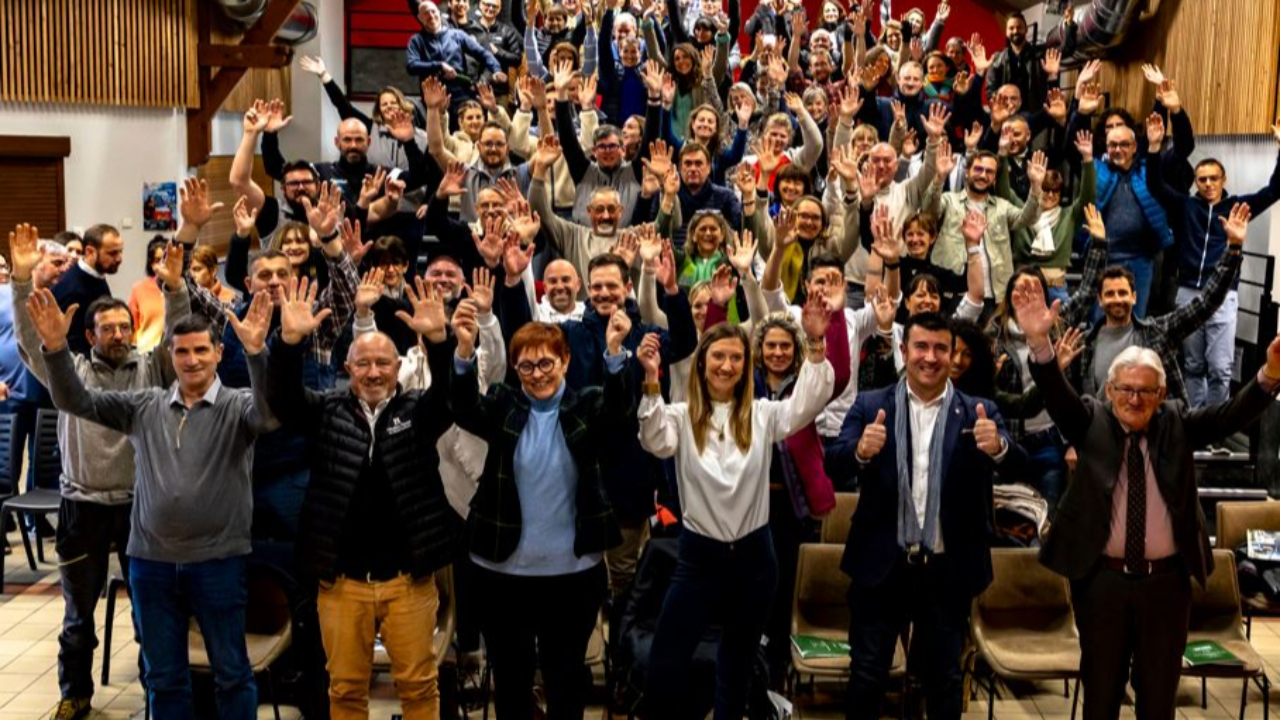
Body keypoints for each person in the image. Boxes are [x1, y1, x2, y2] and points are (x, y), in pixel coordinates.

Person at [1011, 273, 1280, 720]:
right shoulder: (1091, 419)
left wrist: (1269, 375)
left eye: (1145, 392)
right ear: (1110, 390)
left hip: (1166, 586)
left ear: (1161, 395)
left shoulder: (1176, 421)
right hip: (1103, 583)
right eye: (1126, 390)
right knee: (1101, 697)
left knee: (1158, 703)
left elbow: (1229, 416)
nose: (1134, 400)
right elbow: (1057, 397)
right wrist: (1040, 345)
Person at [28, 287, 279, 719]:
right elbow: (75, 401)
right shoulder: (145, 406)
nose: (192, 360)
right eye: (182, 351)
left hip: (217, 562)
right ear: (171, 355)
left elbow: (271, 414)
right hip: (152, 565)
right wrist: (54, 349)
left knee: (232, 673)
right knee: (164, 678)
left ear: (219, 353)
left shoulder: (237, 407)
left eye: (202, 350)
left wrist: (256, 353)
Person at [9, 225, 190, 720]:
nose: (116, 335)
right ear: (89, 336)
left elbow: (181, 337)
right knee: (77, 617)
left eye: (122, 326)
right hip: (82, 507)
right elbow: (32, 341)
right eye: (105, 329)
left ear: (132, 327)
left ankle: (158, 696)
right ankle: (76, 694)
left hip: (140, 509)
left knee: (151, 613)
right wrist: (22, 280)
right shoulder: (73, 375)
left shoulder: (153, 370)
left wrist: (174, 288)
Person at [264, 275, 458, 720]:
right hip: (342, 585)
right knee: (346, 690)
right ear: (348, 369)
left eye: (383, 364)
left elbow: (450, 397)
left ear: (398, 368)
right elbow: (283, 400)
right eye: (363, 363)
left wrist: (440, 341)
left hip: (408, 582)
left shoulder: (418, 413)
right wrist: (288, 343)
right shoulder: (325, 412)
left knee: (418, 686)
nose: (374, 372)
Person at [637, 303, 835, 718]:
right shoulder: (680, 414)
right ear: (703, 363)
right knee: (666, 660)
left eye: (736, 358)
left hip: (754, 558)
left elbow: (808, 403)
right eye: (718, 356)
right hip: (698, 557)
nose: (727, 366)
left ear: (747, 366)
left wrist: (816, 343)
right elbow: (655, 440)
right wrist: (652, 380)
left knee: (738, 664)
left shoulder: (763, 414)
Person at [827, 312, 1024, 720]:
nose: (930, 357)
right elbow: (833, 464)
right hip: (882, 564)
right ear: (904, 351)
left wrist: (999, 447)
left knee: (944, 681)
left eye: (940, 348)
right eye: (921, 347)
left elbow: (1021, 466)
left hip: (946, 570)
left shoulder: (979, 411)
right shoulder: (870, 404)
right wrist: (860, 452)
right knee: (866, 675)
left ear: (952, 355)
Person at [451, 309, 634, 719]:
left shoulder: (587, 404)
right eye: (526, 365)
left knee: (565, 680)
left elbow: (621, 415)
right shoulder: (502, 402)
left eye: (546, 362)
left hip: (572, 575)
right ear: (515, 368)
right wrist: (464, 353)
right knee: (513, 684)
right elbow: (463, 410)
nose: (537, 373)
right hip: (500, 574)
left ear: (565, 360)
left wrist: (616, 353)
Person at [1145, 114, 1280, 407]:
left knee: (1220, 369)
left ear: (1224, 180)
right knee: (1193, 366)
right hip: (1189, 292)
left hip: (1222, 295)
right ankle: (1197, 425)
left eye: (1213, 179)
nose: (1207, 184)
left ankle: (1218, 427)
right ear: (1196, 182)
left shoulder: (1236, 207)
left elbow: (1274, 190)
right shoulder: (1185, 205)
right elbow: (1155, 185)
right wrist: (1154, 147)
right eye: (1202, 179)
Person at [1074, 204, 1247, 404]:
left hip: (1149, 431)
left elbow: (1205, 303)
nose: (1117, 298)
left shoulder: (1156, 332)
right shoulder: (1085, 345)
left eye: (1123, 292)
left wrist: (1233, 249)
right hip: (1103, 431)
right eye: (1110, 294)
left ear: (1134, 297)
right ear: (1100, 300)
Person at [926, 149, 1046, 309]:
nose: (983, 175)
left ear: (995, 179)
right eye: (978, 169)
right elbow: (929, 211)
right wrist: (939, 177)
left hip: (994, 297)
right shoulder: (949, 200)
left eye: (989, 172)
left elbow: (1028, 218)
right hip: (952, 294)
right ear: (966, 172)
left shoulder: (1002, 207)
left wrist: (1036, 186)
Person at [407, 0, 507, 114]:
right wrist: (439, 66)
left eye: (433, 12)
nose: (431, 16)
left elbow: (483, 53)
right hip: (434, 99)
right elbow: (411, 66)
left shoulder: (457, 35)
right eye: (426, 13)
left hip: (461, 96)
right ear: (420, 18)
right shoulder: (416, 41)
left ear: (439, 13)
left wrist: (496, 69)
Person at [52, 223, 123, 356]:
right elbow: (70, 344)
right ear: (90, 252)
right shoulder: (72, 288)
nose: (119, 259)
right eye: (112, 253)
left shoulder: (97, 275)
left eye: (120, 251)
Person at [128, 237, 170, 353]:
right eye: (157, 260)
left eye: (165, 259)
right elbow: (132, 329)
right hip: (147, 354)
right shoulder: (139, 289)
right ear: (151, 264)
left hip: (175, 354)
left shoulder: (183, 289)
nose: (162, 265)